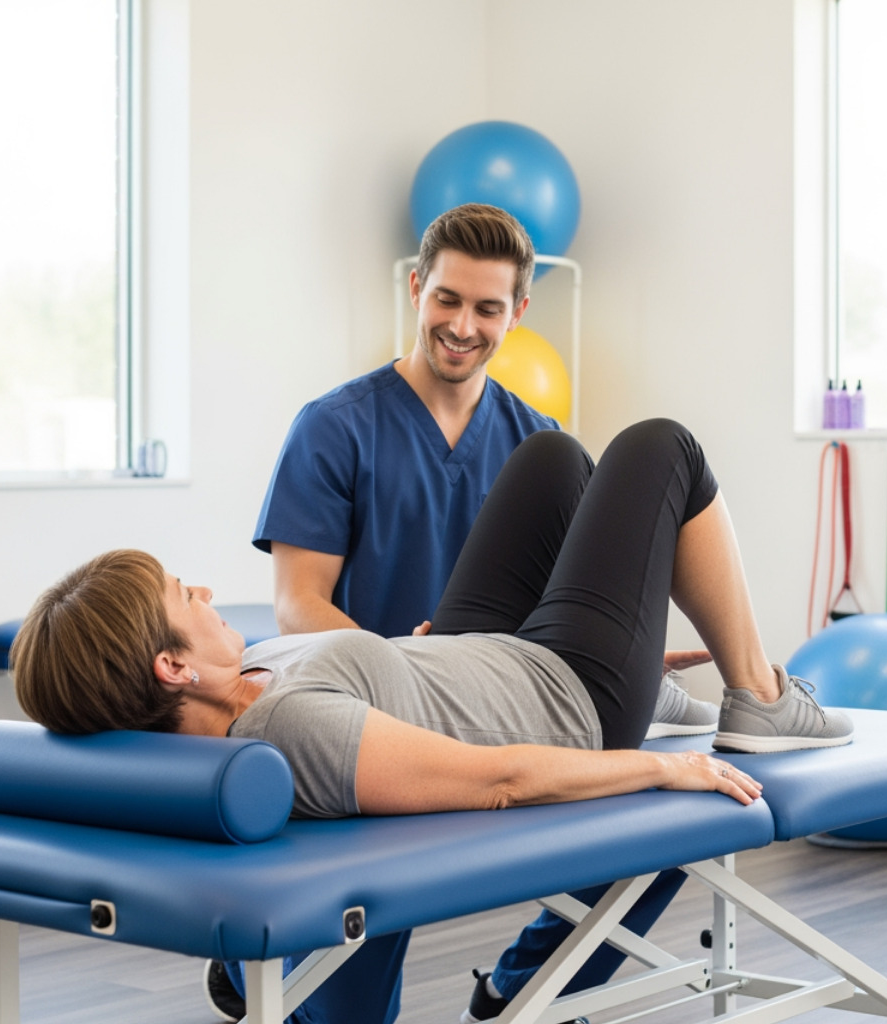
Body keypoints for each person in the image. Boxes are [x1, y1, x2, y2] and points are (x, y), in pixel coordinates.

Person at [14, 420, 853, 1022]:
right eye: (179, 594)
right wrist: (666, 767)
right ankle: (762, 697)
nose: (200, 589)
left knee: (552, 458)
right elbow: (500, 779)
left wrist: (411, 658)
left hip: (473, 653)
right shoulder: (288, 733)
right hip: (570, 696)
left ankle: (656, 688)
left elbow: (375, 686)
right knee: (662, 450)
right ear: (172, 668)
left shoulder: (238, 683)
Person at [248, 203, 716, 1023]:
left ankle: (519, 988)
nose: (462, 326)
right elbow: (299, 605)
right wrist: (406, 664)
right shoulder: (334, 429)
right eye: (447, 300)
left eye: (487, 308)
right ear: (416, 287)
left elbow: (563, 608)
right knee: (339, 1011)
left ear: (518, 313)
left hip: (501, 714)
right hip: (377, 732)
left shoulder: (536, 440)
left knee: (670, 826)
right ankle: (262, 968)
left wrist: (636, 655)